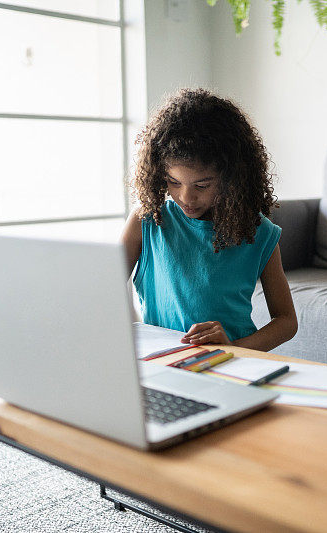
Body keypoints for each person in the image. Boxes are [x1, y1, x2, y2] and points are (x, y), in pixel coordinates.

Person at [121, 88, 297, 352]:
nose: (186, 197)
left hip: (233, 365)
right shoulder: (147, 221)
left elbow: (286, 321)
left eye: (202, 185)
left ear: (231, 179)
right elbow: (101, 293)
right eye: (173, 182)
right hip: (165, 365)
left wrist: (234, 349)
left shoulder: (258, 232)